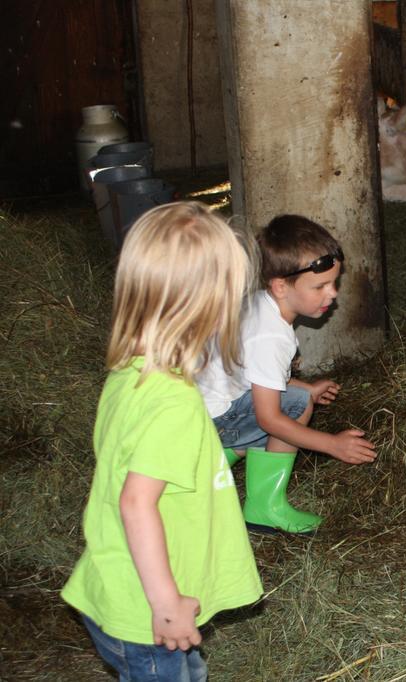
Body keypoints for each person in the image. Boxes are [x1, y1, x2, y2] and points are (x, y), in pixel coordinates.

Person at [62, 202, 263, 681]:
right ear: (208, 305)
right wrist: (166, 604)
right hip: (144, 608)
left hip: (118, 583)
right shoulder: (172, 400)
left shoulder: (132, 372)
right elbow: (136, 503)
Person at [197, 214, 376, 535]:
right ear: (281, 286)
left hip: (199, 411)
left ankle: (208, 469)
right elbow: (270, 420)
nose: (332, 293)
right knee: (294, 406)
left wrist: (304, 385)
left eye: (334, 283)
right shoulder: (271, 336)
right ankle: (261, 504)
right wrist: (332, 445)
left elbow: (254, 377)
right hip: (211, 424)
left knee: (297, 394)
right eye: (320, 286)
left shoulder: (258, 304)